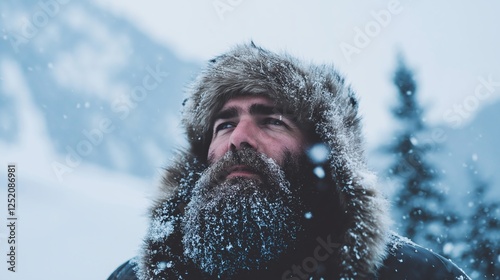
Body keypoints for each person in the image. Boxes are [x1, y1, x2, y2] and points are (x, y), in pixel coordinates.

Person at [108, 42, 470, 280]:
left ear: (323, 157)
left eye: (271, 121)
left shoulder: (413, 275)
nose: (239, 139)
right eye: (225, 125)